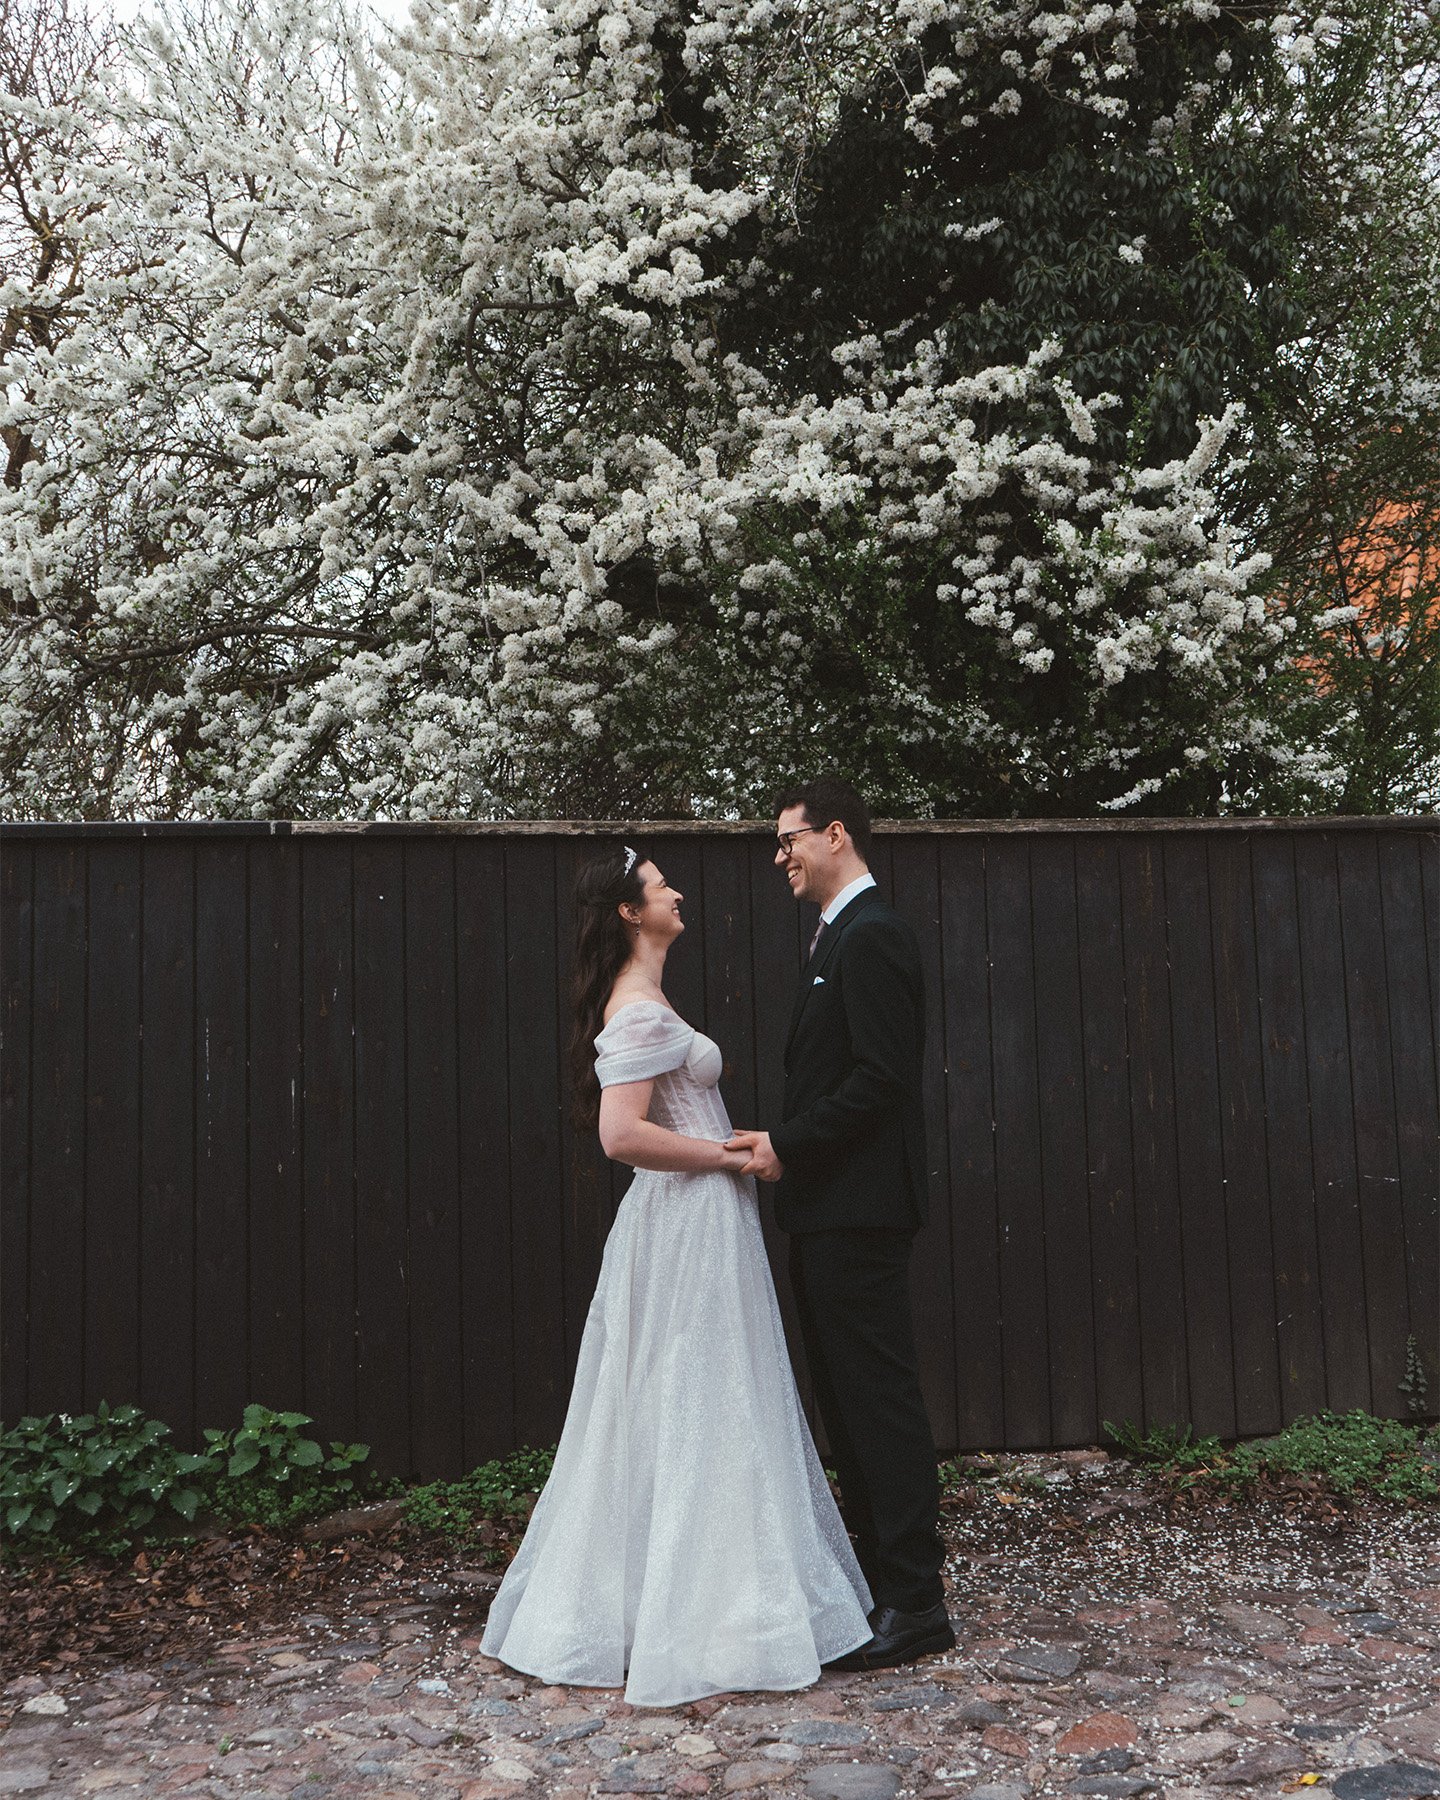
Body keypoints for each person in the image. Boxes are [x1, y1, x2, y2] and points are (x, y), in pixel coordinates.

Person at [479, 843, 873, 1707]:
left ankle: (709, 1604)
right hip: (689, 1218)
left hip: (698, 1220)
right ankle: (705, 1618)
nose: (678, 893)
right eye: (661, 887)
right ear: (630, 911)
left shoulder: (649, 1000)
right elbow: (621, 1138)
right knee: (704, 1392)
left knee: (696, 1396)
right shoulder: (639, 1011)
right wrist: (728, 1158)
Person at [726, 775, 953, 1671]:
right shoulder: (833, 939)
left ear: (836, 835)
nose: (780, 857)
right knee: (849, 1403)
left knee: (877, 1402)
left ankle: (917, 1602)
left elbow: (882, 1079)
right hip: (830, 1211)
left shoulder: (874, 936)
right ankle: (880, 1590)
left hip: (859, 1210)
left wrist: (790, 1143)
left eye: (789, 840)